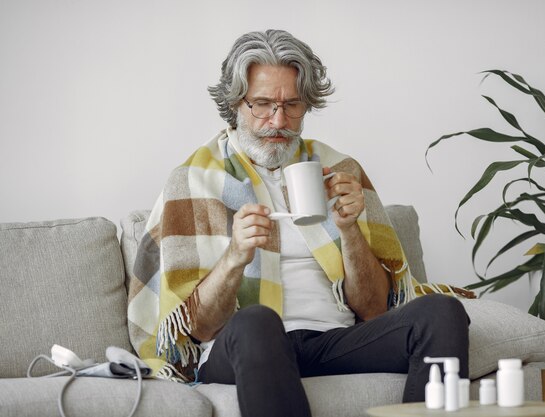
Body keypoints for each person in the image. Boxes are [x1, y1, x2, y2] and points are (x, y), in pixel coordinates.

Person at [129, 29, 469, 417]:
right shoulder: (192, 183)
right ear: (235, 103)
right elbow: (197, 330)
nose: (279, 121)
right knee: (258, 321)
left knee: (441, 313)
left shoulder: (338, 171)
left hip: (333, 340)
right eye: (262, 105)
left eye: (292, 105)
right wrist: (236, 256)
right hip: (245, 344)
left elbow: (375, 309)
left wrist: (348, 229)